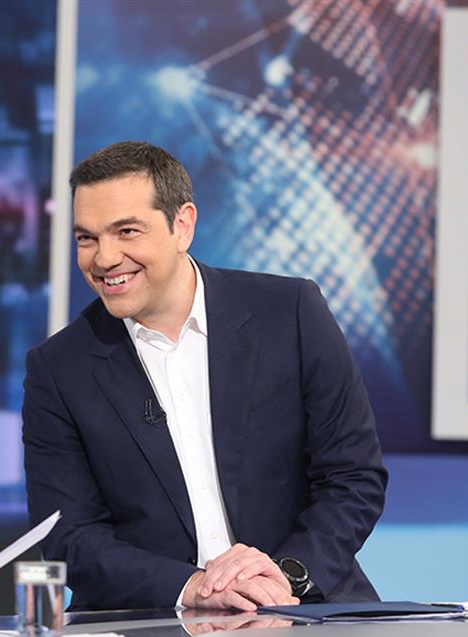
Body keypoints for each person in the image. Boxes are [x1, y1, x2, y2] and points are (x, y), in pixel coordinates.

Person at [23, 141, 387, 612]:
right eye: (86, 238)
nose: (104, 258)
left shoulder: (291, 313)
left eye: (126, 231)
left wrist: (285, 575)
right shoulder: (59, 369)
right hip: (149, 624)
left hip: (302, 606)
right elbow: (69, 538)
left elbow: (353, 477)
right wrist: (193, 588)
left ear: (183, 225)